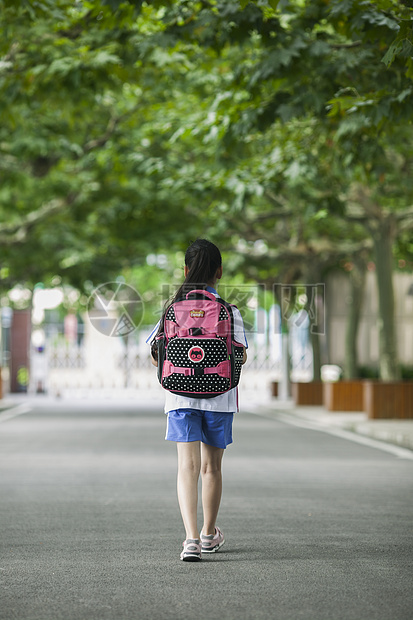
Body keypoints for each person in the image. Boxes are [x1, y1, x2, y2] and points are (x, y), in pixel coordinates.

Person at [147, 239, 248, 562]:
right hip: (220, 397)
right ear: (219, 272)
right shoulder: (229, 311)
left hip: (179, 397)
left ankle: (189, 539)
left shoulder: (172, 308)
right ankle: (208, 533)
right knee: (211, 468)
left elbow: (155, 354)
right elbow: (241, 355)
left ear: (186, 270)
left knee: (186, 467)